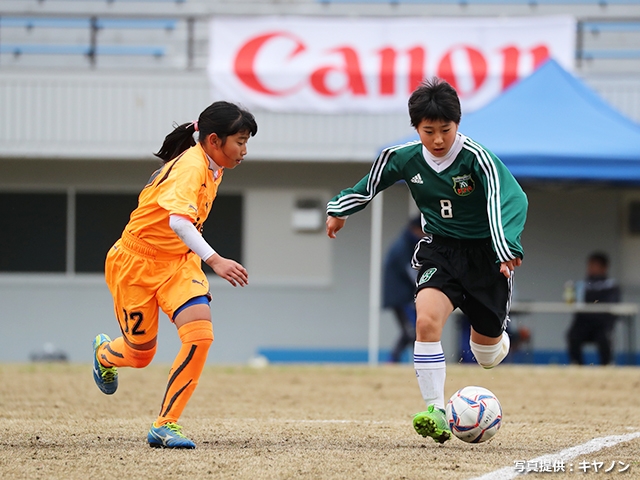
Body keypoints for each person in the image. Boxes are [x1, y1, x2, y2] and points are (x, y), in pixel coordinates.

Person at [326, 78, 527, 444]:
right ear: (416, 127)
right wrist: (340, 209)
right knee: (426, 322)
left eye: (445, 130)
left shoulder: (477, 159)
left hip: (486, 256)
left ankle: (499, 338)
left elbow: (510, 200)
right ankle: (436, 409)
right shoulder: (401, 157)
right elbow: (369, 185)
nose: (437, 139)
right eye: (428, 130)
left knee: (487, 356)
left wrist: (505, 247)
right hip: (440, 250)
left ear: (458, 124)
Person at [92, 101, 257, 449]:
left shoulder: (214, 164)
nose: (244, 150)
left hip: (178, 263)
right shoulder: (191, 167)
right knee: (140, 355)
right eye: (240, 141)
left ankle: (166, 424)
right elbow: (178, 221)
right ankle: (105, 355)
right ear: (214, 140)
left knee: (200, 334)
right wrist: (215, 260)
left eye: (246, 142)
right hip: (135, 263)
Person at [566, 252, 621, 365]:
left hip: (602, 324)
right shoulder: (581, 285)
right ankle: (577, 365)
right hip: (583, 324)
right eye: (589, 266)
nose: (591, 269)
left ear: (604, 268)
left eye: (594, 266)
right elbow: (574, 303)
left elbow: (612, 305)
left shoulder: (611, 285)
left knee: (604, 337)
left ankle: (606, 365)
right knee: (573, 334)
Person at [383, 216, 423, 363]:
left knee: (410, 330)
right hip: (401, 297)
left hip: (401, 296)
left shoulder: (404, 243)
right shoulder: (404, 247)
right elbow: (411, 272)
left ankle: (394, 360)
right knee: (411, 330)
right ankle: (394, 360)